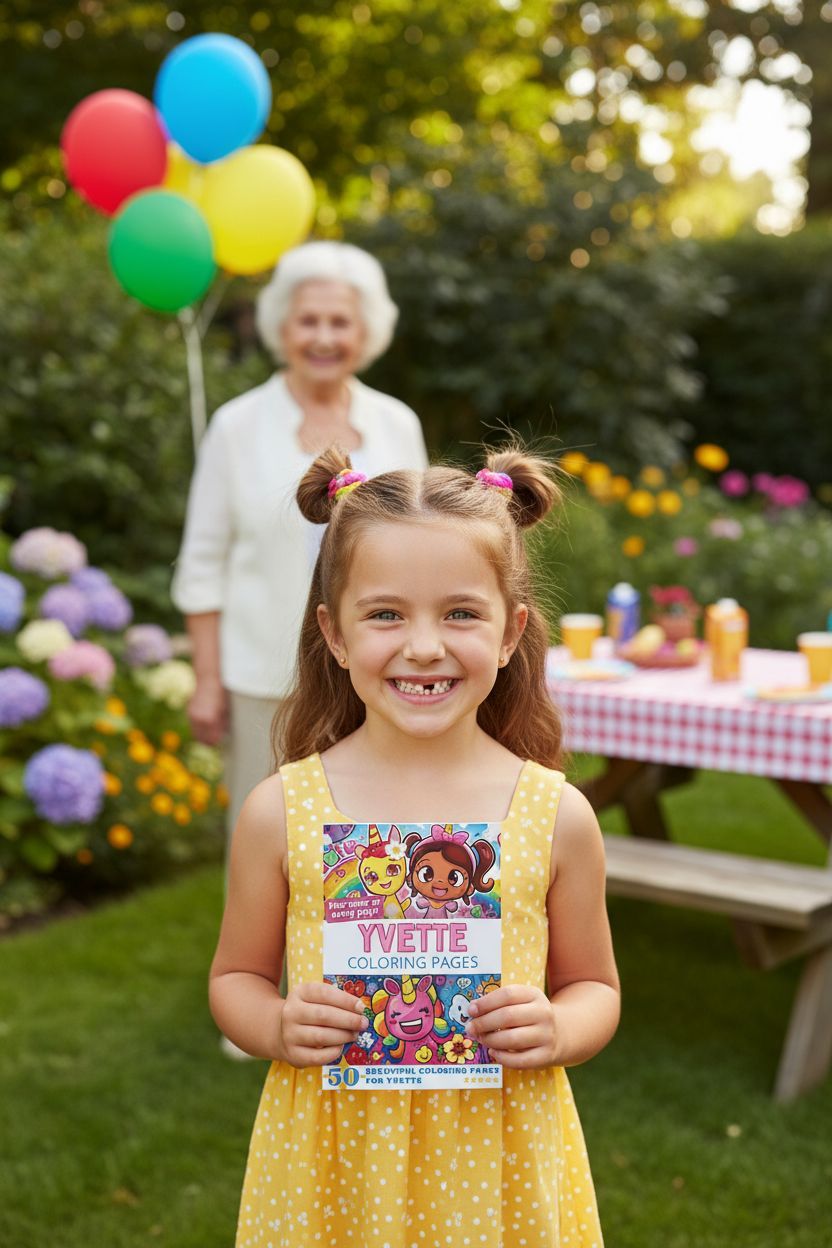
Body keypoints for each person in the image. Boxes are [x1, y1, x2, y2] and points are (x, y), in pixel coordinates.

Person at [209, 444, 621, 1246]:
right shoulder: (282, 811)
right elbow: (236, 975)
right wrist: (275, 1025)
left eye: (461, 613)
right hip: (333, 1158)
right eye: (386, 613)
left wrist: (558, 1030)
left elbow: (595, 987)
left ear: (511, 634)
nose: (424, 646)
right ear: (334, 632)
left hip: (498, 1153)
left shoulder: (555, 814)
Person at [171, 241, 428, 843]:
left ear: (365, 331)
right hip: (264, 679)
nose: (323, 336)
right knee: (268, 839)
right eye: (307, 320)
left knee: (370, 844)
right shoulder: (236, 426)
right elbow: (202, 565)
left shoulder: (397, 423)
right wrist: (208, 681)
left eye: (339, 321)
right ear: (281, 328)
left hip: (380, 674)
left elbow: (427, 545)